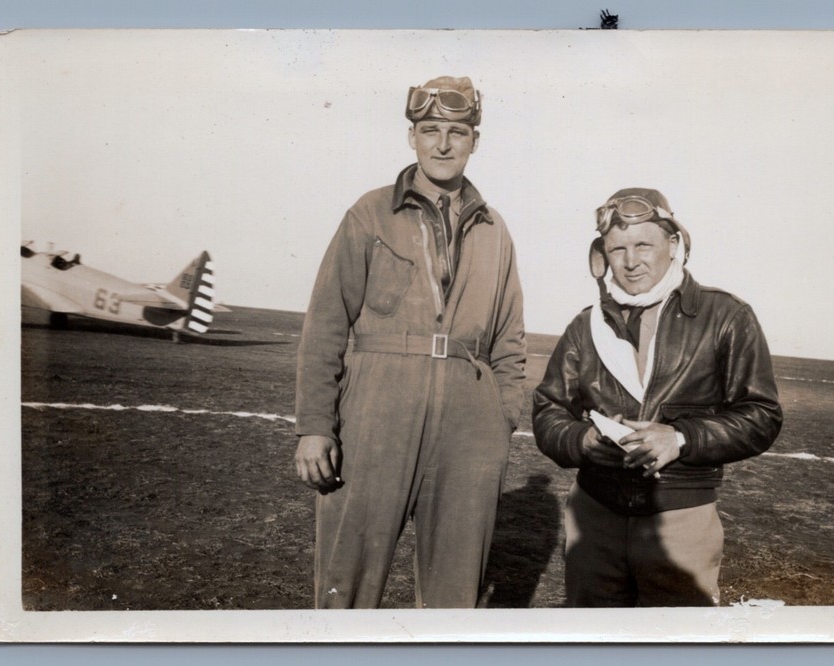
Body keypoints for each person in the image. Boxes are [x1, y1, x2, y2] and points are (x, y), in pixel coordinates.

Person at [294, 76, 526, 609]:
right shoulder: (370, 213)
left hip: (470, 426)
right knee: (345, 583)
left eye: (457, 132)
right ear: (412, 138)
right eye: (430, 130)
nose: (443, 143)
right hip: (376, 413)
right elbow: (326, 324)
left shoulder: (495, 230)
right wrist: (314, 427)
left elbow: (510, 340)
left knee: (454, 594)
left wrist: (499, 419)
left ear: (474, 141)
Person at [532, 188, 782, 607]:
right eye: (617, 249)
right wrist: (584, 441)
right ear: (602, 255)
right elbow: (548, 410)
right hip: (594, 519)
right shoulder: (586, 326)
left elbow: (762, 414)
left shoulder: (726, 317)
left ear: (673, 243)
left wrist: (679, 438)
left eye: (643, 245)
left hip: (681, 520)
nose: (631, 262)